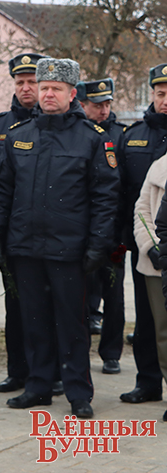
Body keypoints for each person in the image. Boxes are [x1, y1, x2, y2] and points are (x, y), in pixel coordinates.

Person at [0, 58, 120, 419]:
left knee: (72, 325)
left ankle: (78, 393)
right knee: (34, 321)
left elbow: (105, 197)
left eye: (56, 89)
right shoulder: (19, 135)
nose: (47, 94)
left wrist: (98, 245)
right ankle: (38, 386)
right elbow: (1, 190)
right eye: (43, 88)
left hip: (69, 250)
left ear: (72, 94)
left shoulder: (92, 138)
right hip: (25, 247)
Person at [0, 53, 47, 395]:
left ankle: (50, 372)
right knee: (16, 306)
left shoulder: (56, 124)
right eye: (20, 82)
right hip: (13, 233)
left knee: (53, 308)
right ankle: (18, 371)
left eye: (32, 82)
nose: (26, 88)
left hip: (50, 233)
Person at [117, 63, 167, 405]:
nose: (166, 100)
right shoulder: (133, 135)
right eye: (161, 93)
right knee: (147, 319)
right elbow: (122, 193)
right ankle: (148, 382)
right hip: (144, 245)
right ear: (152, 94)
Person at [76, 77, 126, 373]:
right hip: (82, 229)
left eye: (107, 104)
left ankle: (111, 353)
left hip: (113, 230)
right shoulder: (77, 134)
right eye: (97, 105)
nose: (104, 110)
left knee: (114, 296)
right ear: (82, 105)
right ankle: (80, 352)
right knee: (81, 297)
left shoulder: (121, 135)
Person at [136, 153, 167, 423]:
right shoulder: (159, 166)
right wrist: (151, 247)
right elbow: (142, 210)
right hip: (158, 264)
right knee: (164, 333)